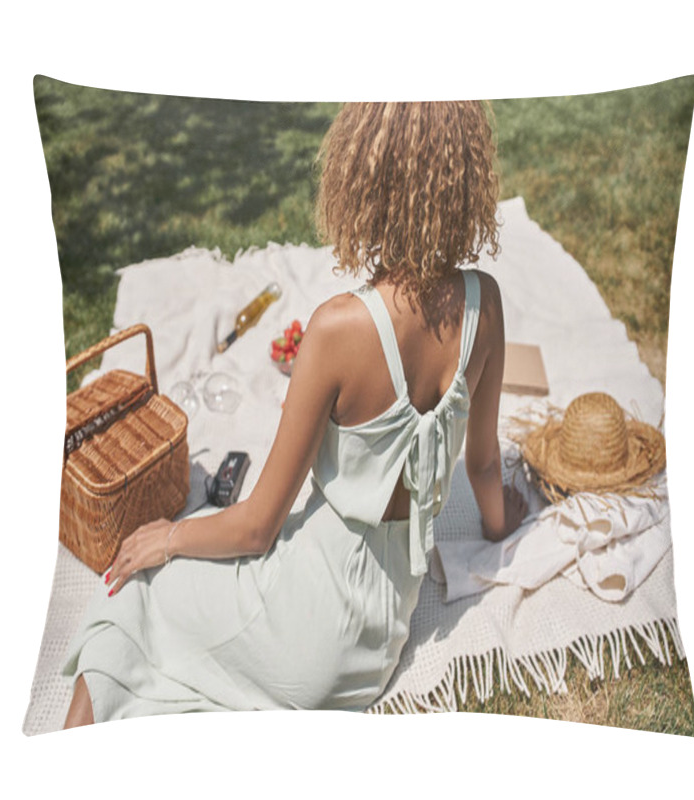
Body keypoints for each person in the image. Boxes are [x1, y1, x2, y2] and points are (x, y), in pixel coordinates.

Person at [62, 101, 528, 728]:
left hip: (301, 632)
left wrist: (167, 538)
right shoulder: (486, 305)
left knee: (128, 595)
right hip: (376, 643)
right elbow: (484, 464)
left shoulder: (338, 327)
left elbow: (257, 527)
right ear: (465, 176)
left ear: (362, 175)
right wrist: (502, 532)